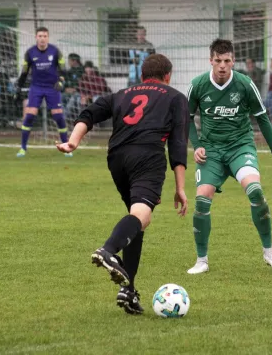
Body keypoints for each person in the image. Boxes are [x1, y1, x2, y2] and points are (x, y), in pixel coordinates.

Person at [56, 54, 189, 315]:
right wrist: (180, 187)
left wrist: (73, 141)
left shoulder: (122, 94)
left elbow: (89, 113)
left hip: (116, 158)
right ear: (168, 76)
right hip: (147, 157)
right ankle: (108, 250)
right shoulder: (175, 97)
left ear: (141, 76)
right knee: (141, 215)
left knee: (137, 220)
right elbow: (178, 145)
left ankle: (129, 290)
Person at [186, 39, 272, 275]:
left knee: (255, 190)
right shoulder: (198, 85)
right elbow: (187, 117)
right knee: (202, 199)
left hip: (240, 147)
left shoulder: (244, 84)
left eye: (227, 61)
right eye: (218, 61)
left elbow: (262, 117)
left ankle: (269, 252)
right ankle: (201, 260)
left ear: (233, 61)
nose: (222, 66)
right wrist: (197, 145)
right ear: (210, 60)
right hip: (211, 151)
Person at [16, 27, 70, 157]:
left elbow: (63, 71)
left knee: (58, 116)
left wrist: (61, 82)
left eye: (45, 36)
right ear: (36, 37)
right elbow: (24, 72)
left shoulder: (55, 51)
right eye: (40, 36)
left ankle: (66, 147)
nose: (42, 38)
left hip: (52, 87)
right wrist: (18, 87)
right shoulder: (30, 53)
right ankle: (23, 148)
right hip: (36, 87)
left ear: (48, 38)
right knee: (29, 115)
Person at [63, 53, 85, 119]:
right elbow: (65, 83)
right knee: (59, 97)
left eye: (69, 61)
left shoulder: (82, 70)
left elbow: (84, 85)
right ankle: (64, 117)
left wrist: (75, 89)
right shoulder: (69, 71)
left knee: (73, 99)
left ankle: (64, 118)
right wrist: (65, 89)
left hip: (79, 93)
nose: (68, 62)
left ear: (74, 61)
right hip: (68, 92)